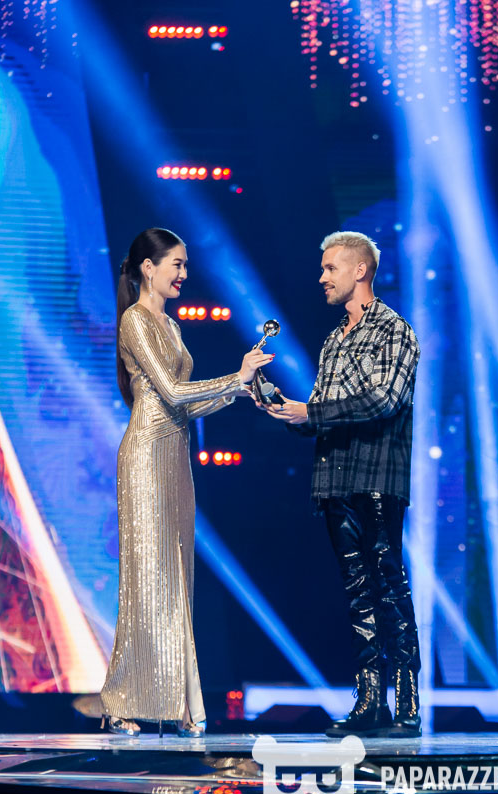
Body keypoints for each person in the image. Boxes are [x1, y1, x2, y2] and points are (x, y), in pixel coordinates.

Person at [100, 228, 273, 737]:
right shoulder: (135, 320)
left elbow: (186, 405)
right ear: (148, 267)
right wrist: (235, 377)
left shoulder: (171, 325)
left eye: (185, 264)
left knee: (177, 578)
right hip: (145, 458)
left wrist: (239, 392)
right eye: (176, 263)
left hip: (175, 456)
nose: (184, 273)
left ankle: (178, 701)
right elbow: (173, 392)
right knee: (147, 580)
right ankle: (123, 700)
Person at [260, 231, 423, 738]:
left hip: (377, 475)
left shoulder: (394, 330)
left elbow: (384, 400)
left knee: (388, 586)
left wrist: (313, 412)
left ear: (360, 270)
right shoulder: (334, 339)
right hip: (335, 480)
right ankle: (370, 701)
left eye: (331, 268)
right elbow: (322, 413)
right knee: (358, 594)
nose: (322, 278)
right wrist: (289, 411)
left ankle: (408, 702)